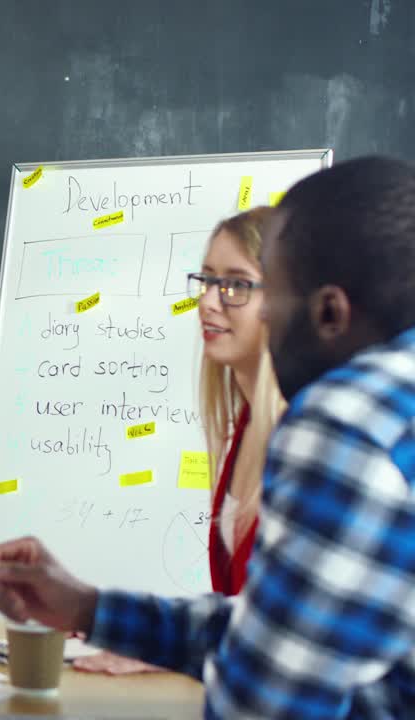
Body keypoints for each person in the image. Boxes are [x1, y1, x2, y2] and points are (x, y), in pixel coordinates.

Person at [0, 156, 415, 718]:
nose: (210, 302)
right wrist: (86, 607)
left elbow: (264, 703)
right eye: (208, 280)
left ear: (329, 311)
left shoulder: (345, 421)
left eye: (260, 291)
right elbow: (276, 633)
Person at [76, 207, 287, 675]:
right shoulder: (244, 430)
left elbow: (293, 642)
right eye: (207, 280)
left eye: (235, 284)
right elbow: (244, 620)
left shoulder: (310, 439)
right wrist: (157, 651)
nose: (210, 301)